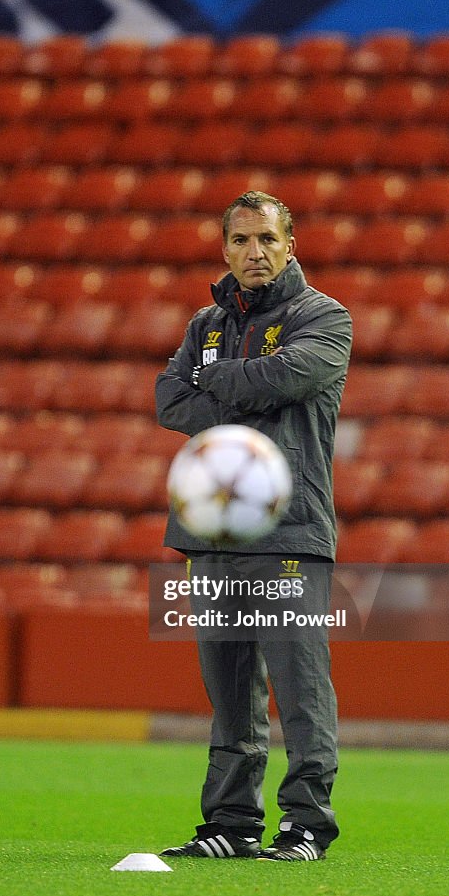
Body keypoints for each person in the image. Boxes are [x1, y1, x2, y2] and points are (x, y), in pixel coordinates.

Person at [155, 191, 352, 862]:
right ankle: (230, 824)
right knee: (229, 692)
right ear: (224, 248)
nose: (255, 252)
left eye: (266, 239)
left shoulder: (323, 317)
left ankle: (305, 826)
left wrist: (221, 384)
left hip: (289, 532)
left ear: (289, 245)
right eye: (240, 240)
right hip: (211, 533)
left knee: (299, 689)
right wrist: (243, 390)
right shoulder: (203, 324)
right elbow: (168, 399)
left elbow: (290, 375)